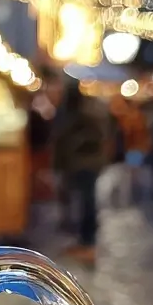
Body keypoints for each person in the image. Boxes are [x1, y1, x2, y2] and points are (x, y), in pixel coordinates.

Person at [52, 81, 112, 263]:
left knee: (86, 202)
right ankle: (84, 241)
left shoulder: (83, 115)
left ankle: (88, 243)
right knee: (82, 202)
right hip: (81, 164)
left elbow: (93, 138)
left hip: (84, 164)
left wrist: (71, 146)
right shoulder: (81, 113)